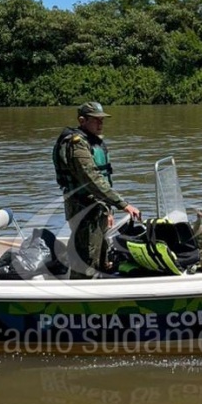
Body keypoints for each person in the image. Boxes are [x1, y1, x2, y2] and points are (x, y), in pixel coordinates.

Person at [52, 101, 141, 279]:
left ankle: (100, 290)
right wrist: (122, 204)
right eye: (96, 120)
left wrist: (107, 210)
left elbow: (103, 181)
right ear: (82, 120)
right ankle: (80, 296)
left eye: (102, 120)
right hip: (83, 209)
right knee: (86, 260)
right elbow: (92, 179)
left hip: (97, 208)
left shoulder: (92, 141)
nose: (101, 123)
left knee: (101, 257)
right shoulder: (76, 145)